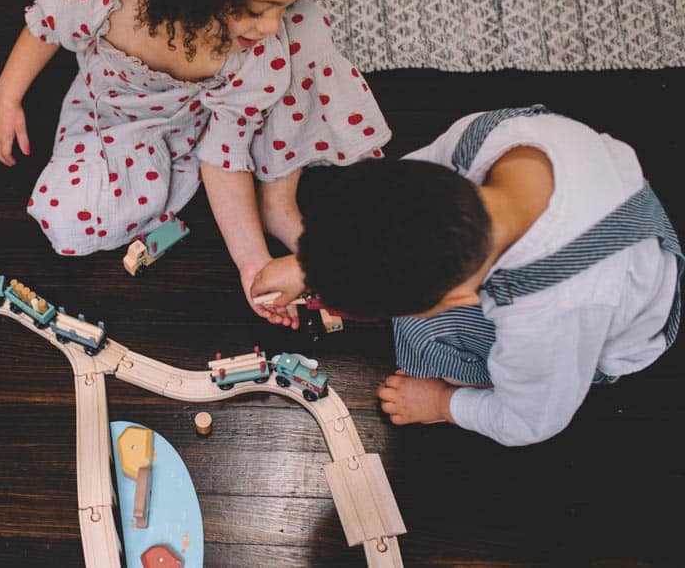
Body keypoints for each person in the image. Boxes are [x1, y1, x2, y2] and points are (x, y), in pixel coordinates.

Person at [0, 0, 390, 319]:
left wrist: (251, 263)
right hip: (116, 116)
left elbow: (223, 155)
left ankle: (278, 198)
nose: (272, 26)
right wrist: (6, 97)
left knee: (304, 32)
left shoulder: (257, 52)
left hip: (205, 115)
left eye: (282, 6)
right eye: (258, 10)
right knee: (66, 217)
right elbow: (45, 23)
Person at [251, 105, 683, 446]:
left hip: (613, 322)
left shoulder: (546, 318)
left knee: (422, 338)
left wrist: (442, 402)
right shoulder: (485, 135)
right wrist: (312, 263)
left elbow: (530, 421)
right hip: (609, 218)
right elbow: (387, 205)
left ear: (460, 299)